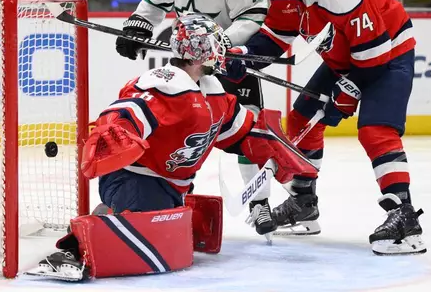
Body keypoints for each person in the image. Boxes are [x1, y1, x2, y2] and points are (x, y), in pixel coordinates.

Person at [28, 14, 317, 281]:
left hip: (172, 187)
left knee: (174, 246)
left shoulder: (213, 92)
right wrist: (116, 130)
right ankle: (72, 248)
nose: (222, 51)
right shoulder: (165, 87)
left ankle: (116, 215)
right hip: (135, 179)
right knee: (149, 246)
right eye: (217, 45)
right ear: (203, 52)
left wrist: (287, 166)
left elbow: (244, 135)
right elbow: (128, 110)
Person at [227, 0, 425, 255]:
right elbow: (276, 37)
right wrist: (245, 58)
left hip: (388, 50)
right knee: (302, 115)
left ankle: (404, 217)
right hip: (347, 57)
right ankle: (304, 202)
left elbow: (373, 59)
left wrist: (347, 93)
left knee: (375, 130)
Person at [114, 0, 275, 238]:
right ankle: (172, 193)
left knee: (248, 132)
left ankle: (259, 203)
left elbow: (253, 17)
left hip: (229, 63)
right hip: (187, 65)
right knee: (181, 132)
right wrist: (137, 27)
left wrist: (221, 44)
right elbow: (152, 5)